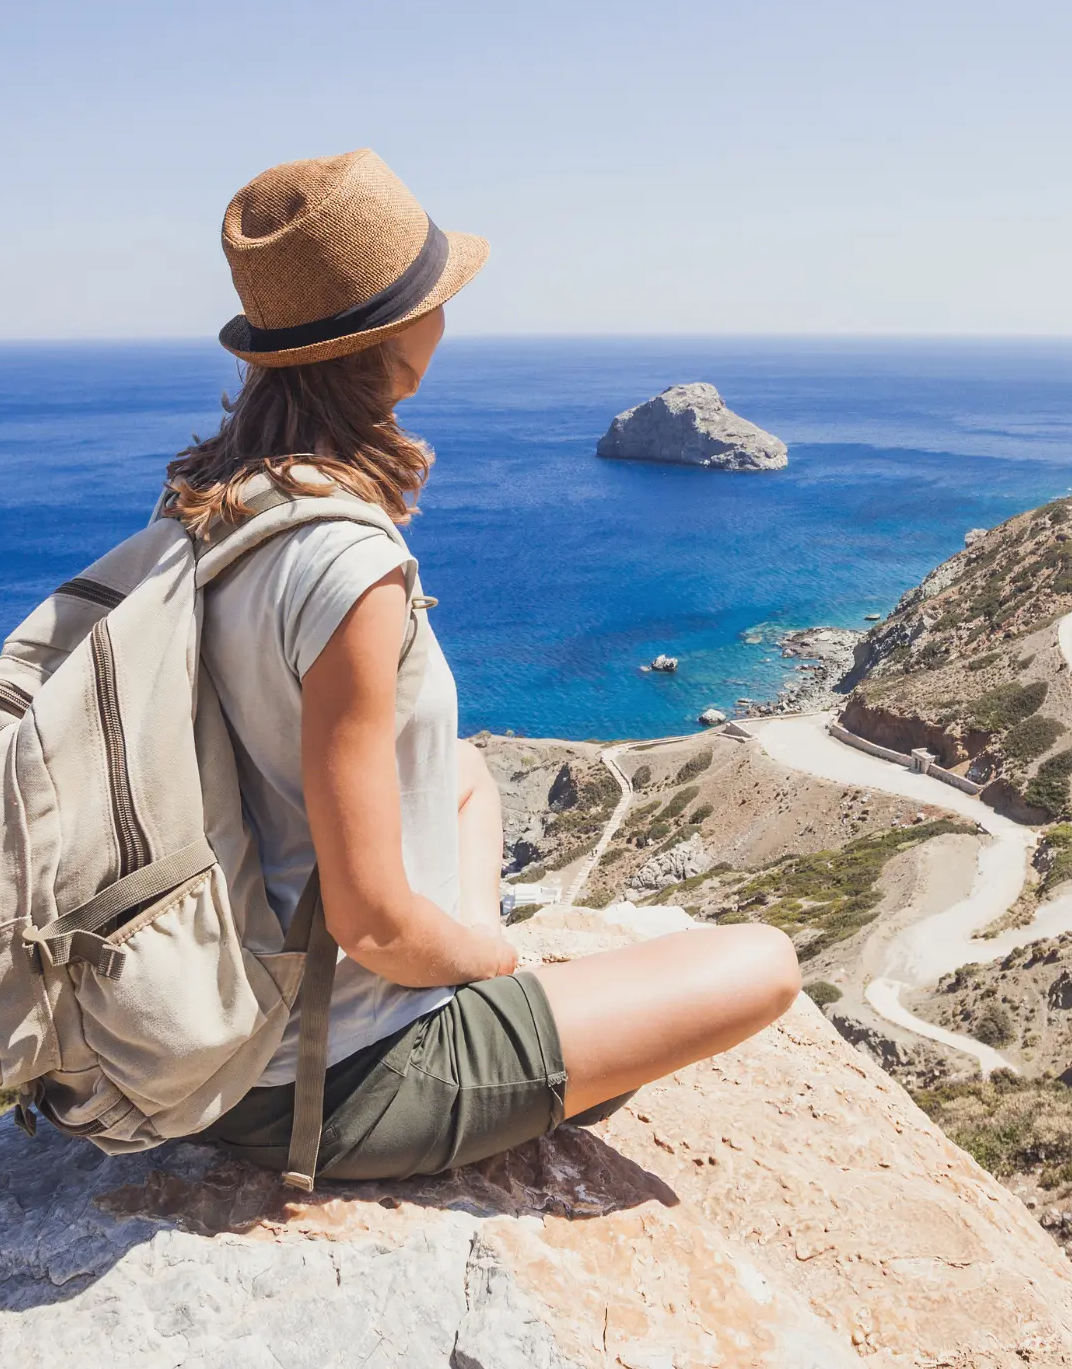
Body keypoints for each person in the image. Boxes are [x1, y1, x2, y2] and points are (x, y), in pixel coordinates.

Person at [166, 149, 800, 1181]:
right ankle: (468, 1021)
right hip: (327, 1078)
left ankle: (459, 996)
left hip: (217, 1016)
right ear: (399, 338)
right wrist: (491, 960)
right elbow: (371, 922)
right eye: (439, 294)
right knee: (763, 965)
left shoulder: (211, 503)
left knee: (461, 772)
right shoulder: (349, 562)